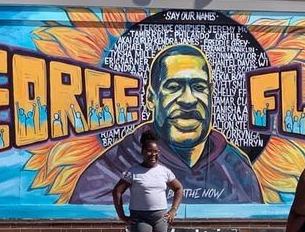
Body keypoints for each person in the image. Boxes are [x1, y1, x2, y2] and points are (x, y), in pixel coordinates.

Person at [70, 44, 262, 204]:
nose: (188, 100)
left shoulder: (236, 167)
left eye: (199, 87)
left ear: (211, 94)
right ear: (151, 98)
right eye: (173, 87)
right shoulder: (110, 170)